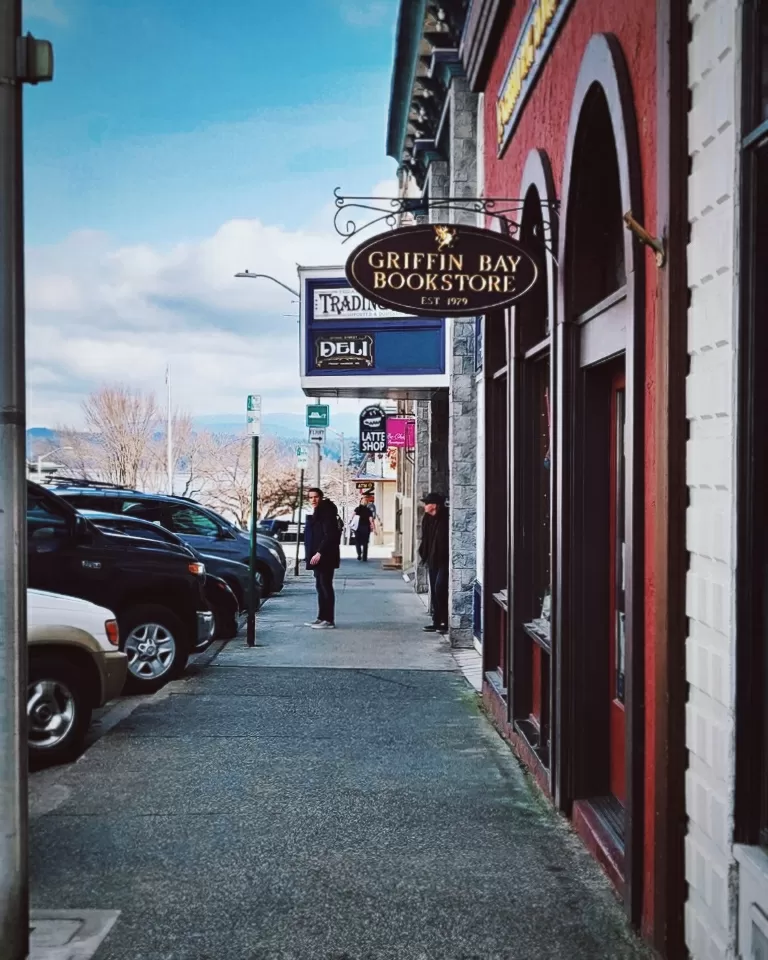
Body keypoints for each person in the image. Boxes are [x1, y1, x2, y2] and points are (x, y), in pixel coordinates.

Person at [303, 488, 341, 629]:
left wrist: (319, 552)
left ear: (321, 497)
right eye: (311, 497)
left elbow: (329, 535)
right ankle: (321, 617)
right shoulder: (318, 513)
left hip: (325, 557)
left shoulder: (326, 513)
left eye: (316, 497)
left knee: (325, 586)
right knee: (320, 586)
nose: (313, 500)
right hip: (317, 557)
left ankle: (328, 619)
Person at [419, 492, 449, 634]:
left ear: (435, 505)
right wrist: (423, 556)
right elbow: (425, 539)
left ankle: (444, 621)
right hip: (432, 560)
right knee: (435, 590)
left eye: (427, 503)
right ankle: (437, 621)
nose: (425, 506)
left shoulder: (445, 518)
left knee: (440, 588)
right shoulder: (427, 519)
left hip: (444, 560)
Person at [353, 496, 374, 562]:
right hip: (366, 528)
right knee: (365, 543)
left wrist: (350, 524)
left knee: (357, 542)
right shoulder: (368, 510)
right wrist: (373, 527)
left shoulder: (357, 509)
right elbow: (371, 520)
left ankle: (359, 553)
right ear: (367, 503)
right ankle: (364, 557)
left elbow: (352, 516)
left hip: (358, 528)